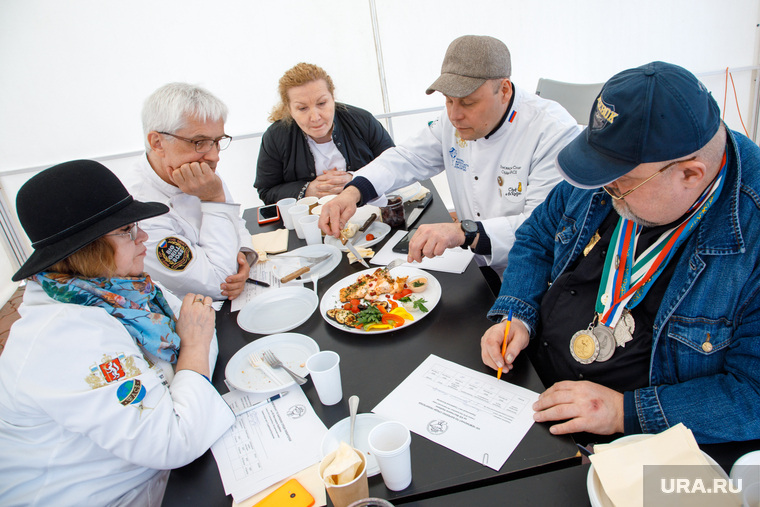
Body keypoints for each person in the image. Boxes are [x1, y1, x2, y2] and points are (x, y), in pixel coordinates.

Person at [480, 61, 760, 444]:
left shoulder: (752, 234)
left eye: (621, 185)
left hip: (632, 441)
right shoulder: (617, 165)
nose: (604, 189)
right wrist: (517, 315)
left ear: (690, 175)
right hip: (529, 382)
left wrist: (623, 412)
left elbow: (753, 396)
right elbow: (537, 235)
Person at [0, 160, 235, 506]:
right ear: (86, 248)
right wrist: (194, 347)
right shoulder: (63, 337)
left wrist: (194, 350)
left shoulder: (125, 291)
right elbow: (174, 440)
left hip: (153, 475)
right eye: (126, 229)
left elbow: (200, 320)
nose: (143, 237)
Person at [319, 36, 579, 289]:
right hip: (473, 262)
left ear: (504, 90)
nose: (454, 115)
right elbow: (408, 157)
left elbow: (540, 227)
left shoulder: (551, 131)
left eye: (468, 102)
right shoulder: (452, 121)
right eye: (448, 100)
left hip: (532, 275)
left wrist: (463, 232)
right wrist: (352, 192)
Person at [123, 82, 253, 301]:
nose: (214, 156)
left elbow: (236, 223)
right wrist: (214, 200)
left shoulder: (196, 168)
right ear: (158, 143)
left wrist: (244, 258)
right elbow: (218, 283)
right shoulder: (139, 210)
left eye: (217, 142)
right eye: (199, 142)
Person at [255, 62, 395, 204]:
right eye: (302, 108)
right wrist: (307, 190)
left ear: (332, 98)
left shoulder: (362, 121)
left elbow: (394, 165)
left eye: (321, 103)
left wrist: (357, 180)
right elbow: (266, 191)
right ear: (289, 110)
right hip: (309, 221)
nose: (315, 117)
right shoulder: (275, 137)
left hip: (371, 214)